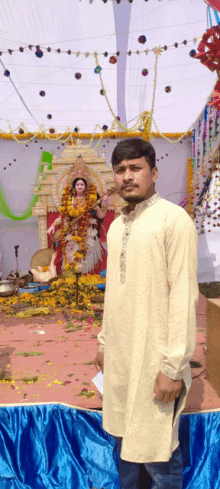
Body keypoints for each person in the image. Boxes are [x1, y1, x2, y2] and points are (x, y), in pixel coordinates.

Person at [93, 138, 199, 488]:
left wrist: (172, 366)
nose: (127, 176)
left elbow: (184, 296)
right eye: (120, 170)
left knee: (158, 458)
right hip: (122, 361)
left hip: (156, 363)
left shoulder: (174, 220)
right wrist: (105, 344)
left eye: (135, 168)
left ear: (153, 173)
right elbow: (115, 295)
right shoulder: (117, 226)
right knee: (125, 452)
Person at [47, 176, 108, 274]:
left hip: (87, 233)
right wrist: (52, 226)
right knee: (71, 257)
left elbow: (100, 215)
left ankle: (87, 278)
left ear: (85, 187)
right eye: (77, 184)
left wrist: (105, 203)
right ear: (74, 187)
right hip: (73, 234)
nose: (80, 186)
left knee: (87, 258)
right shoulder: (69, 201)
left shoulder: (91, 201)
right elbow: (62, 217)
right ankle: (73, 278)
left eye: (82, 184)